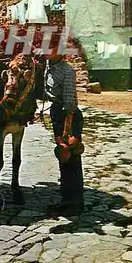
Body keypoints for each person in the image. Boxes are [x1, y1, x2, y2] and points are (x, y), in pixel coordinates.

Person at [36, 33, 85, 216]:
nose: (46, 50)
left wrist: (66, 132)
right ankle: (67, 200)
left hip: (68, 117)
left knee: (70, 157)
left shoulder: (67, 71)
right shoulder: (49, 65)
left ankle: (75, 203)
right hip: (57, 113)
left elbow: (70, 104)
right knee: (63, 160)